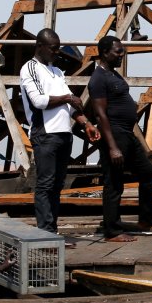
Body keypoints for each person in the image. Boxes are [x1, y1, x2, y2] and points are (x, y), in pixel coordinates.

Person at [20, 29, 100, 236]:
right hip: (45, 134)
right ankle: (45, 233)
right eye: (53, 49)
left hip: (64, 134)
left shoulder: (56, 71)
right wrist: (66, 98)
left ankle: (52, 232)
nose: (57, 52)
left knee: (56, 185)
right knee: (45, 184)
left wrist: (87, 124)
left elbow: (71, 107)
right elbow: (39, 101)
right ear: (40, 46)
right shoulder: (30, 68)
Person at [88, 36, 152, 242]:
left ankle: (146, 219)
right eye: (117, 52)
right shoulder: (98, 78)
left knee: (148, 173)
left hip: (127, 133)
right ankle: (113, 231)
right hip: (115, 135)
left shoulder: (113, 75)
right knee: (114, 183)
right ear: (104, 53)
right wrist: (112, 147)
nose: (121, 55)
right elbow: (100, 115)